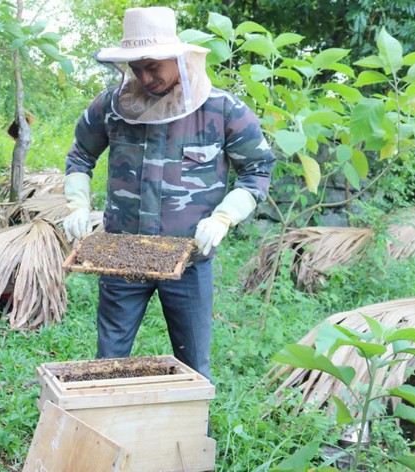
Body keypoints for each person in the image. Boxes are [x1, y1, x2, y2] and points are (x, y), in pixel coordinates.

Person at [63, 7, 275, 381]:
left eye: (152, 66)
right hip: (122, 259)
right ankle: (104, 436)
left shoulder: (224, 110)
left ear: (178, 58)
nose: (144, 77)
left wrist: (225, 216)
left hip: (189, 261)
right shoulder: (110, 107)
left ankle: (192, 441)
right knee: (106, 364)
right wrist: (77, 204)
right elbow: (80, 154)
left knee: (194, 366)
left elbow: (257, 169)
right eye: (136, 68)